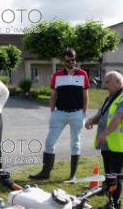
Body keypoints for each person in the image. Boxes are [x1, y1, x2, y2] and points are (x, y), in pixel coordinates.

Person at [30, 48, 89, 181]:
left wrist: (83, 113)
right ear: (64, 61)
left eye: (73, 59)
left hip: (77, 114)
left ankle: (72, 175)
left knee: (75, 144)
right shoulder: (57, 75)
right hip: (59, 114)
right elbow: (53, 96)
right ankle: (45, 173)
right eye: (68, 60)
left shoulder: (83, 74)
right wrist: (53, 112)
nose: (71, 62)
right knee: (49, 142)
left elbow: (85, 96)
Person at [85, 71, 123, 209]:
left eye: (107, 82)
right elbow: (102, 114)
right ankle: (111, 205)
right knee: (110, 177)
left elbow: (118, 118)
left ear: (118, 82)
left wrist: (106, 132)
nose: (104, 85)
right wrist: (92, 120)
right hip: (108, 145)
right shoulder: (110, 98)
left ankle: (114, 208)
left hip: (119, 146)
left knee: (115, 177)